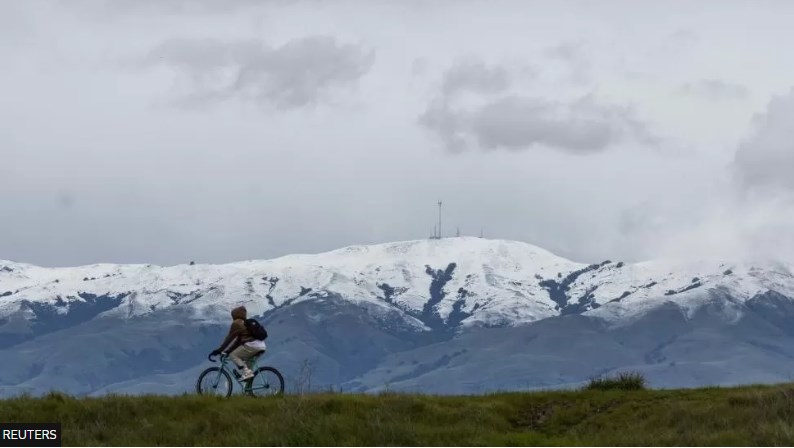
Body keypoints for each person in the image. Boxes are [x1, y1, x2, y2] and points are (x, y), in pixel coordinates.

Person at [210, 305, 265, 381]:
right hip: (261, 346)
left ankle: (247, 373)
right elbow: (237, 342)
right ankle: (248, 390)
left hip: (252, 345)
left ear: (234, 315)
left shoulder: (237, 323)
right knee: (247, 370)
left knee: (233, 355)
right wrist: (227, 351)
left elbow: (229, 338)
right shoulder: (245, 324)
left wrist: (219, 350)